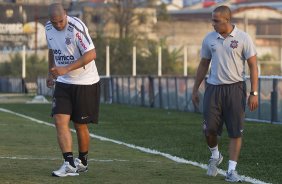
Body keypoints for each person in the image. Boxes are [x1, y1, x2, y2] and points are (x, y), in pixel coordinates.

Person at [192, 5, 258, 182]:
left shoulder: (243, 38)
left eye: (216, 20)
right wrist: (195, 88)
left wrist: (254, 92)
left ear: (227, 20)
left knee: (235, 132)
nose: (212, 24)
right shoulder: (209, 39)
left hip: (235, 89)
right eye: (212, 20)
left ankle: (231, 170)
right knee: (209, 129)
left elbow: (253, 65)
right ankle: (215, 155)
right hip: (213, 89)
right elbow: (203, 64)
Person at [45, 3, 100, 177]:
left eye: (61, 21)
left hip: (85, 82)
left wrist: (66, 68)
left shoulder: (76, 27)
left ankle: (82, 162)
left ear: (66, 14)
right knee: (59, 120)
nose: (58, 25)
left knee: (80, 125)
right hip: (62, 82)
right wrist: (51, 72)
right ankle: (68, 163)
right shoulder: (48, 28)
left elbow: (91, 54)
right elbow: (52, 50)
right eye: (55, 22)